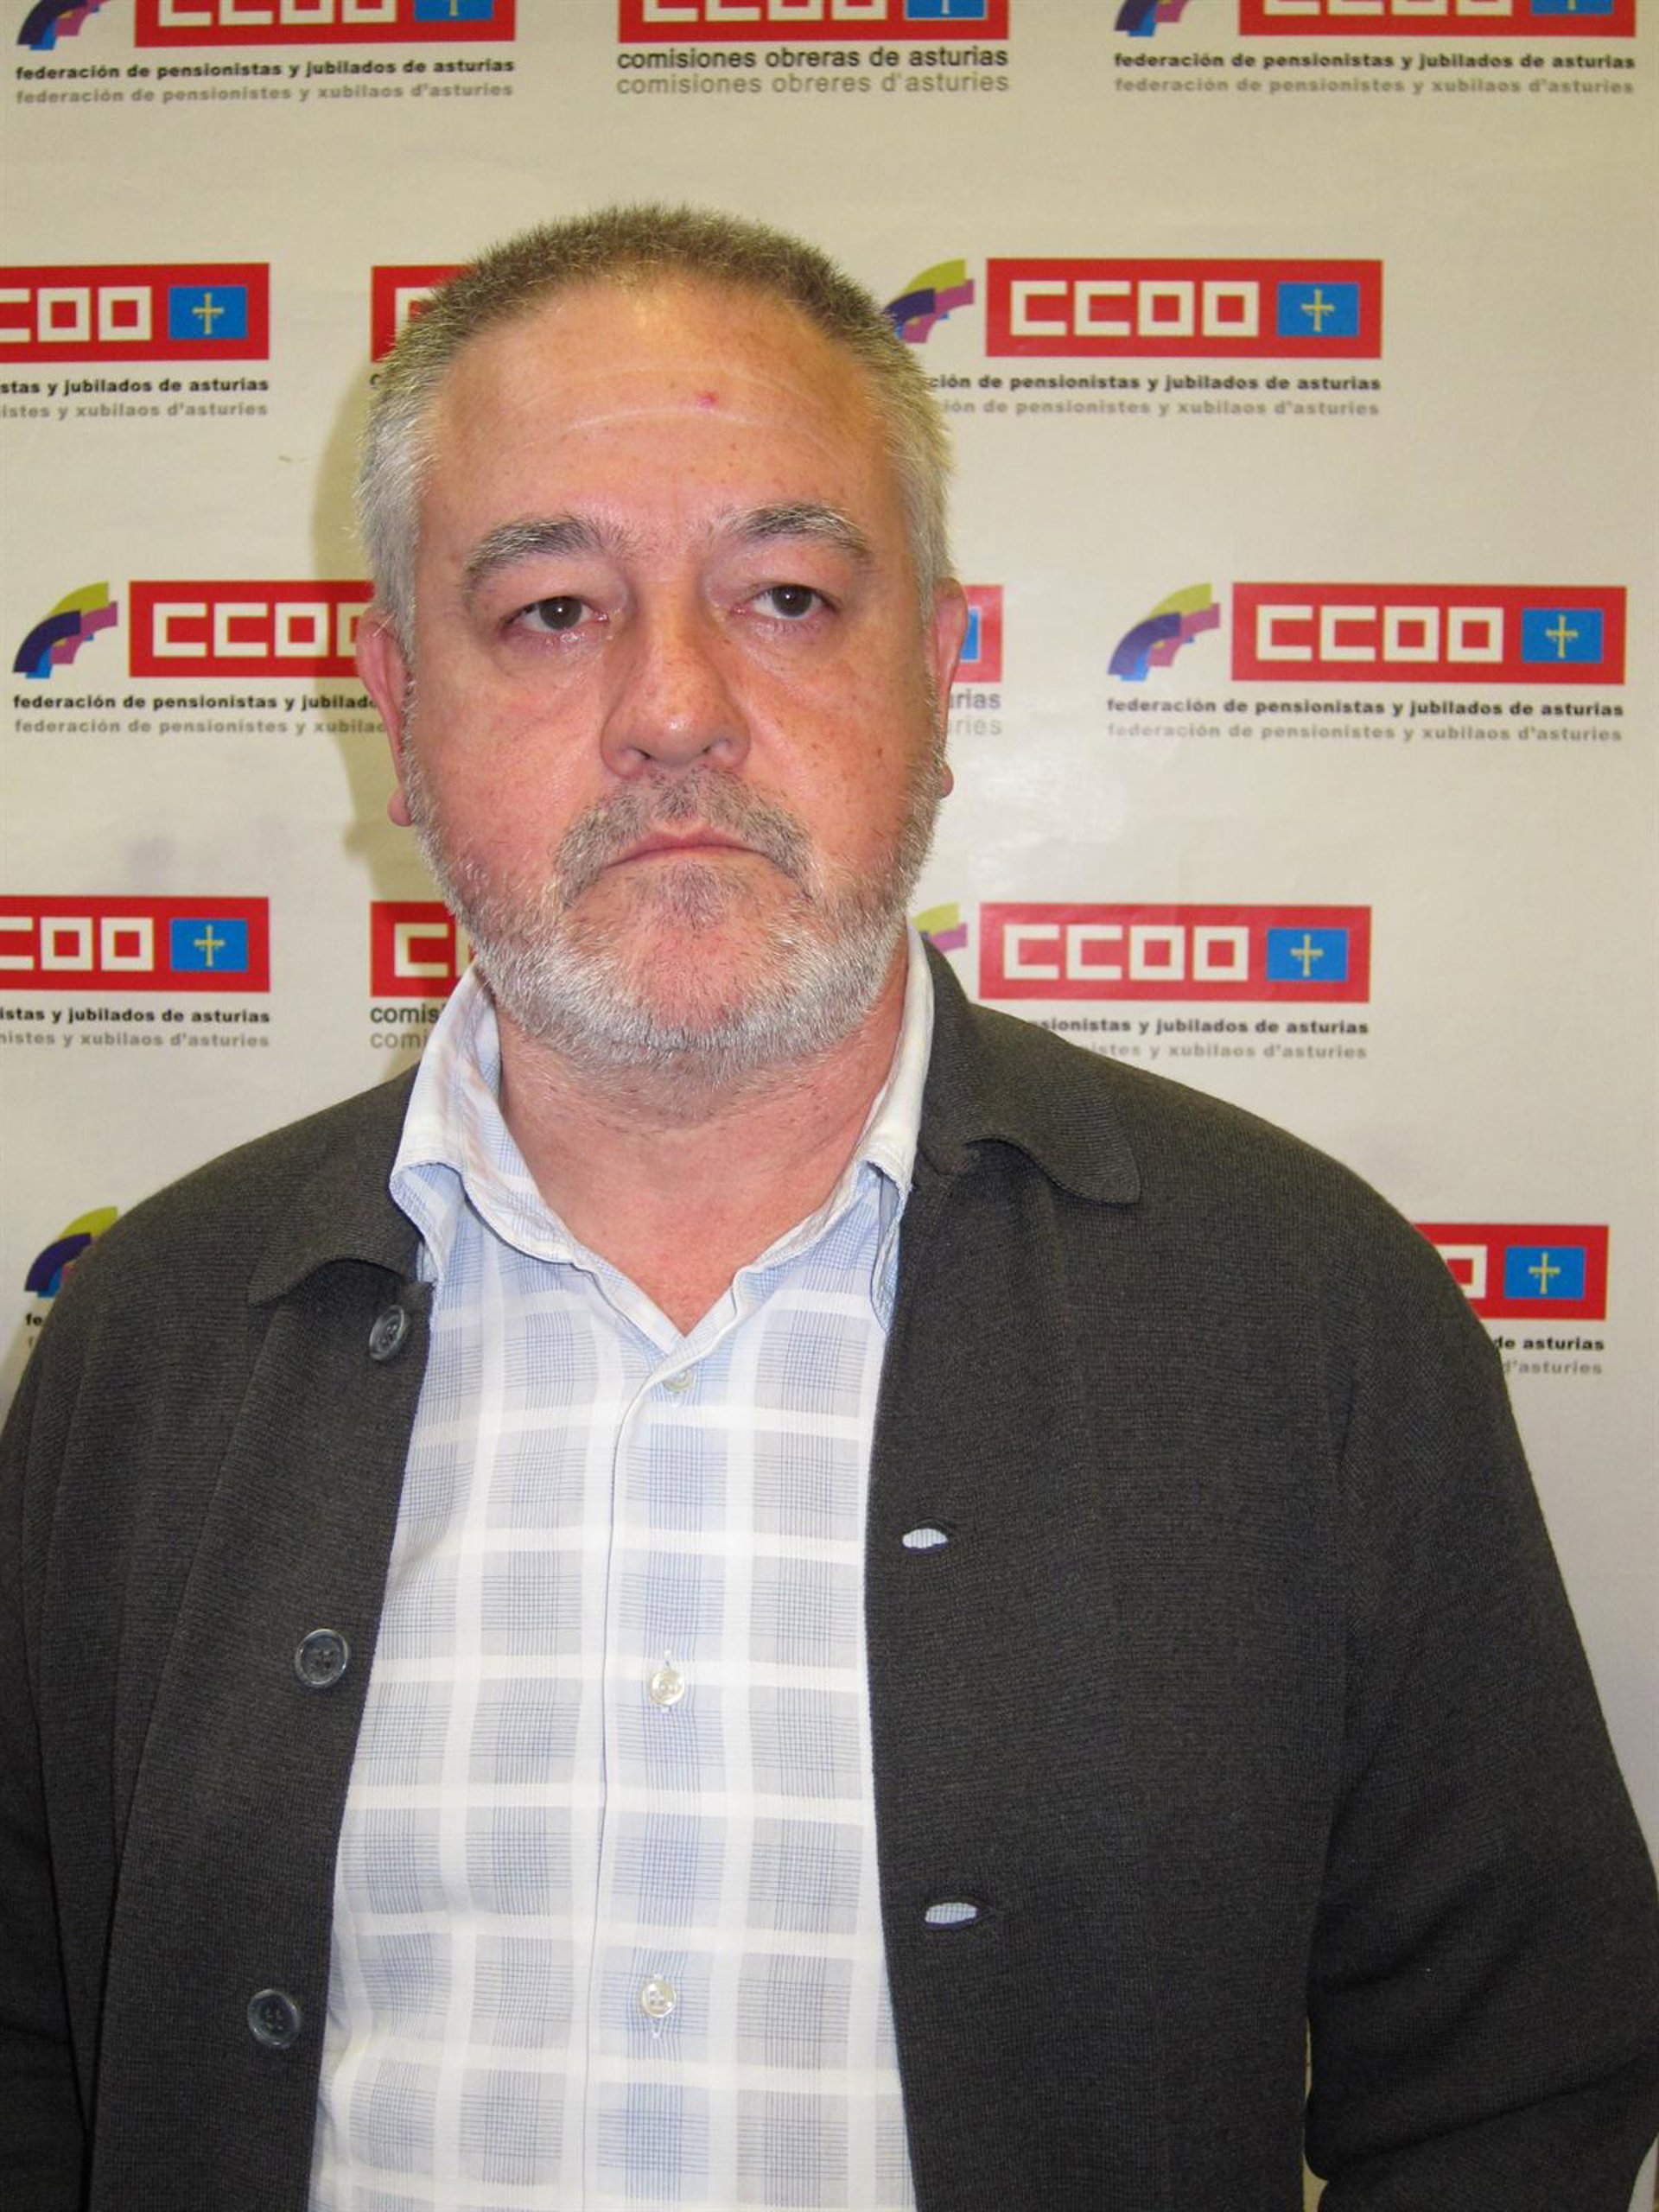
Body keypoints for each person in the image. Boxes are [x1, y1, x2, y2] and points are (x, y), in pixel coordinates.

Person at [1, 206, 1655, 2212]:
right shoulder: (150, 1342)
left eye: (785, 595)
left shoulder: (1306, 1315)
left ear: (940, 678)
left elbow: (1514, 2081)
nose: (675, 705)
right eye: (551, 608)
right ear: (402, 708)